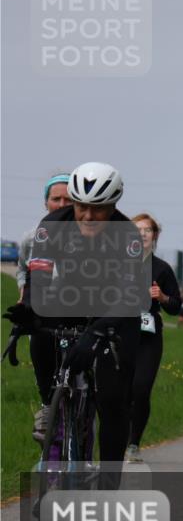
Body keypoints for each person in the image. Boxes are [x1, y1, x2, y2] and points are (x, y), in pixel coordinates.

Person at [5, 162, 145, 484]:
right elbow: (39, 280)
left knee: (112, 401)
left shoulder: (128, 235)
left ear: (114, 206)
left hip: (116, 311)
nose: (88, 216)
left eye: (99, 209)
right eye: (82, 206)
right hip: (69, 301)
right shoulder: (51, 225)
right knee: (40, 332)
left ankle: (110, 485)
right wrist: (30, 311)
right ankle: (48, 403)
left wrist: (96, 333)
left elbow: (129, 296)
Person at [16, 174, 73, 444]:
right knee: (40, 344)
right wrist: (23, 299)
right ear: (46, 202)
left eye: (68, 199)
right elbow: (23, 270)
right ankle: (47, 406)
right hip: (46, 307)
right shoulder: (32, 237)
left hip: (78, 307)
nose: (61, 203)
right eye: (55, 198)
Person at [125, 213, 182, 463]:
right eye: (137, 230)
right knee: (119, 392)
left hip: (149, 337)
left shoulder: (162, 268)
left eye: (147, 230)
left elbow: (175, 305)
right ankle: (116, 439)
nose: (142, 234)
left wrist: (162, 298)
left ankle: (133, 443)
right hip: (120, 334)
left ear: (155, 235)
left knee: (140, 389)